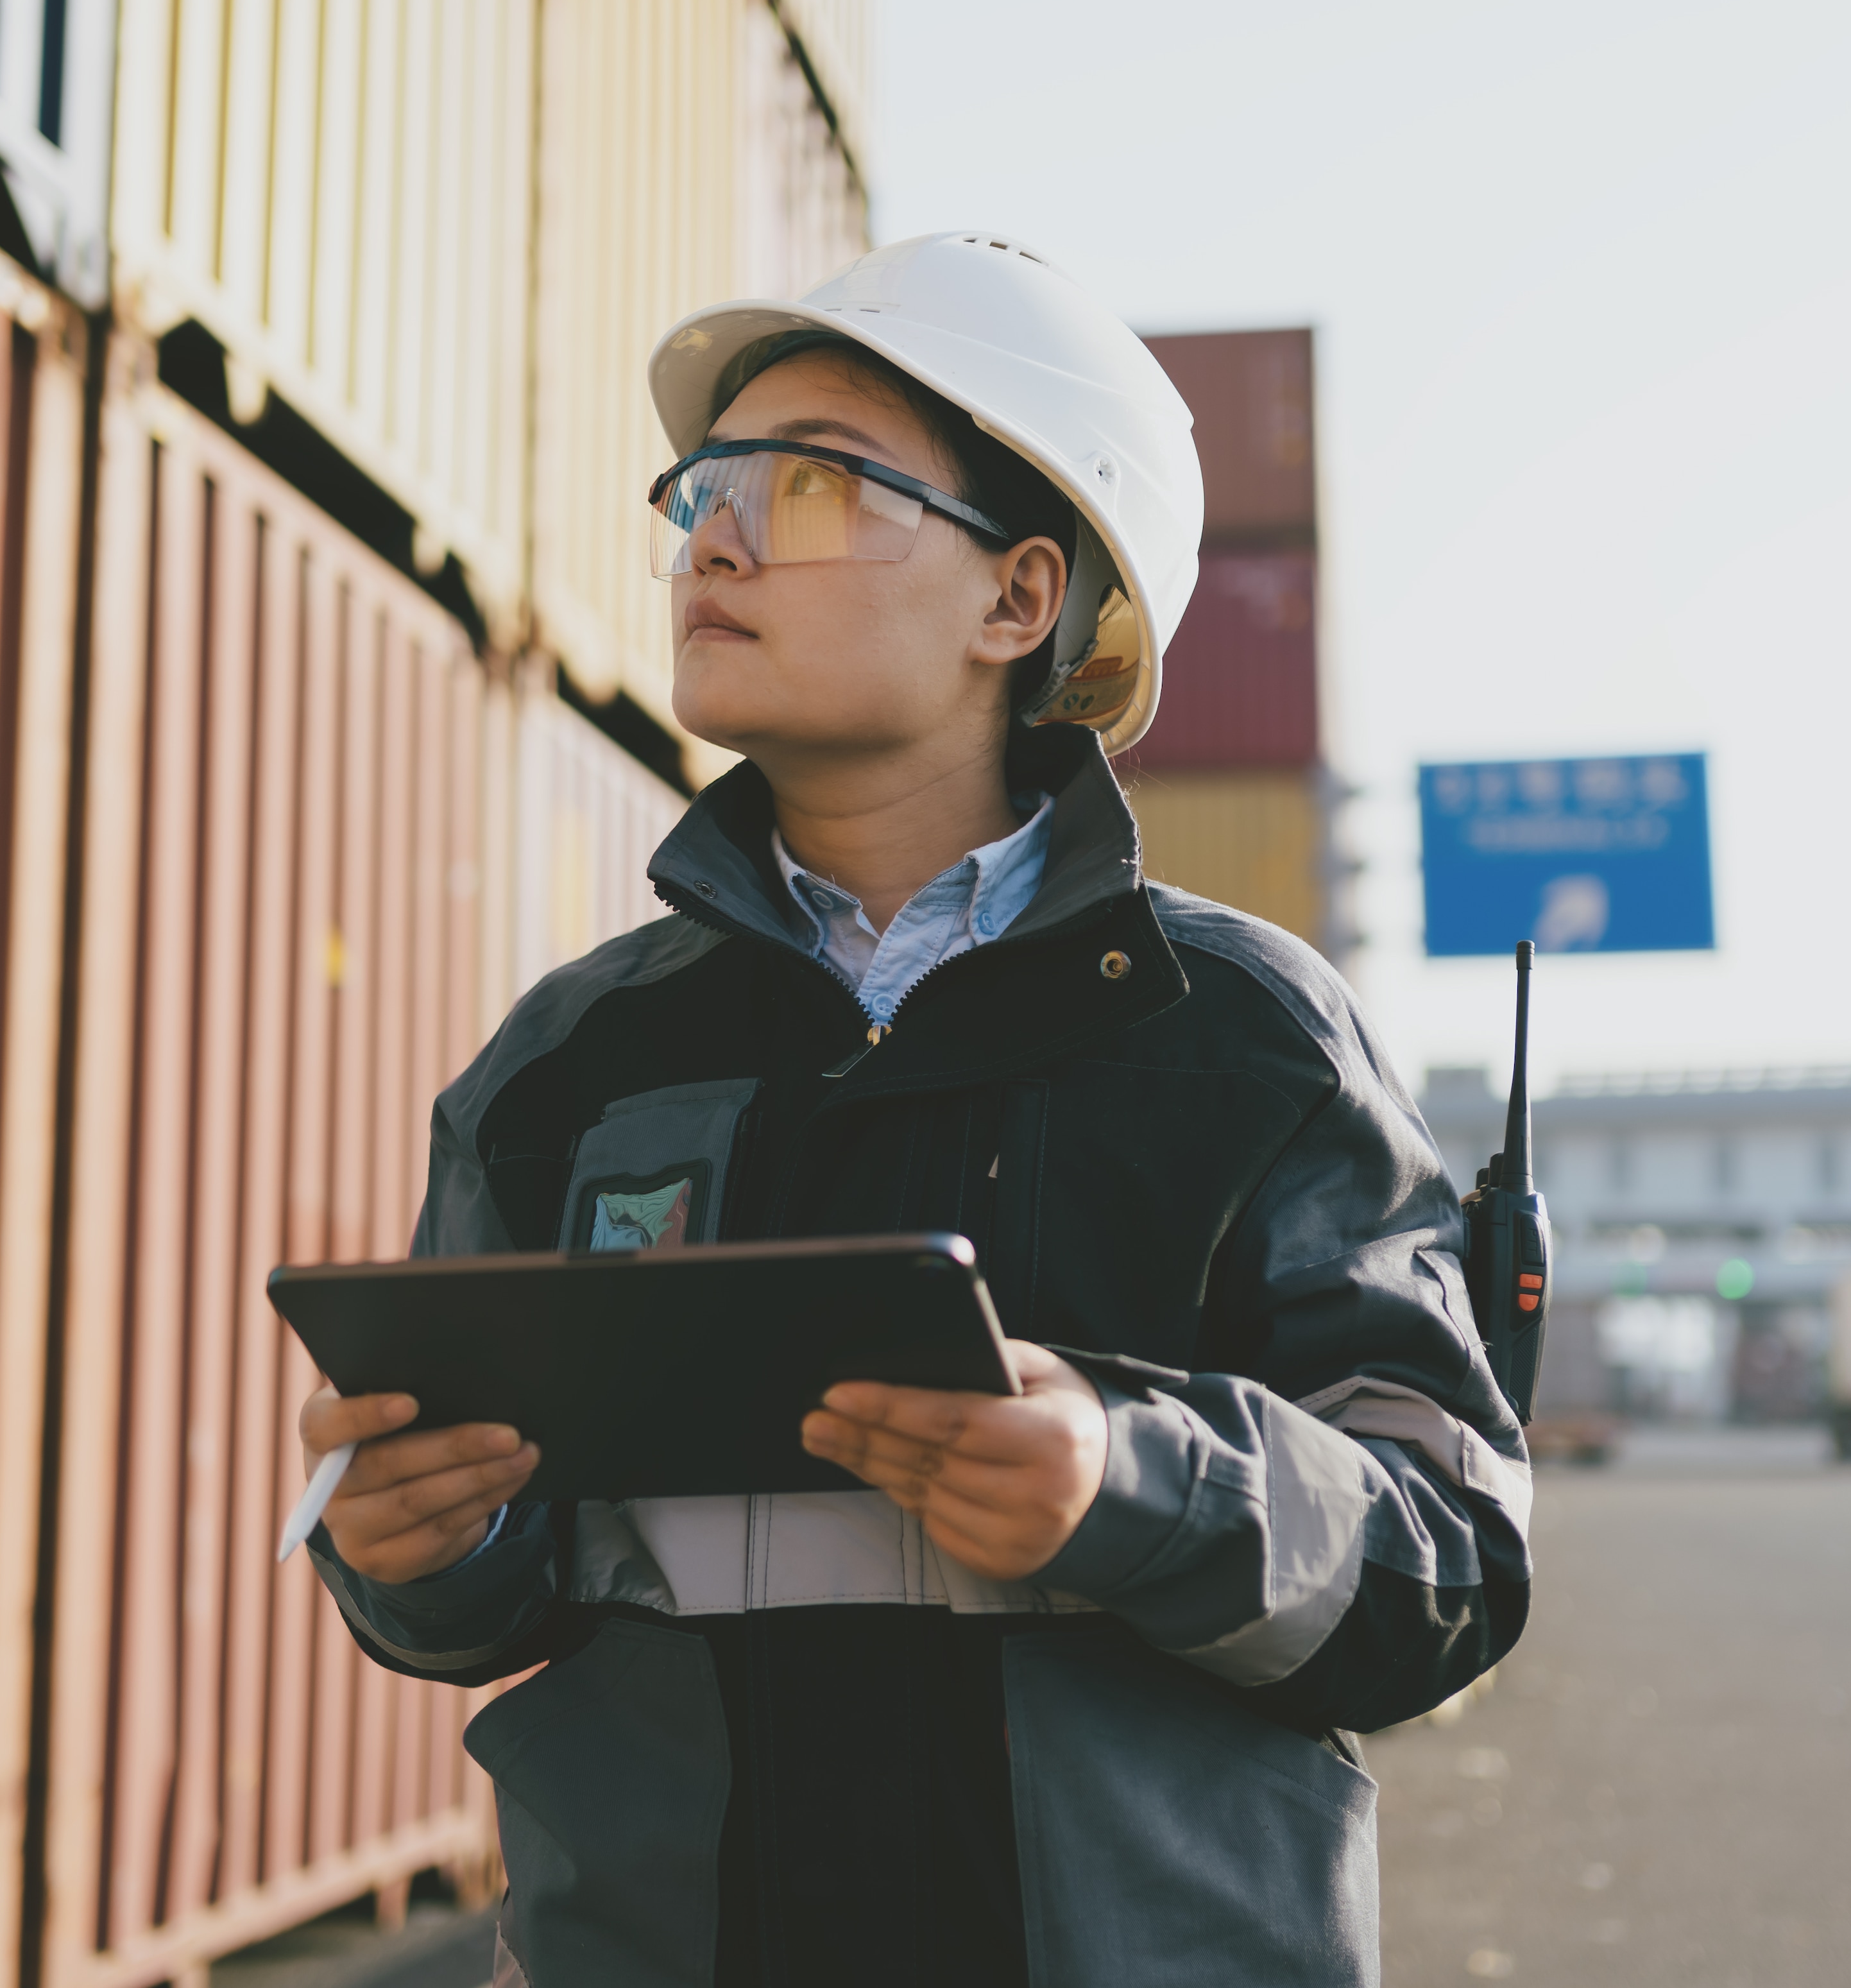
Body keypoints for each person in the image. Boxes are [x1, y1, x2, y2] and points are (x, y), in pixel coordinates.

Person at [298, 232, 1532, 1987]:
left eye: (804, 485)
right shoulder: (567, 1066)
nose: (711, 539)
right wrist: (412, 1547)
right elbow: (496, 1604)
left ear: (1019, 602)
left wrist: (1131, 1481)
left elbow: (1447, 1572)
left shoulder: (1244, 1042)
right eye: (704, 490)